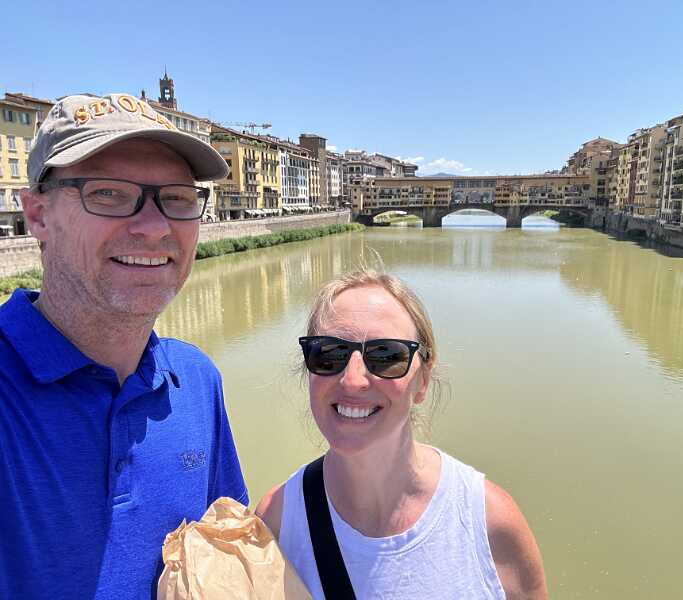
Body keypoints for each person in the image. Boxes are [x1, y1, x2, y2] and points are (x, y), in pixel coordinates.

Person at [0, 94, 248, 599]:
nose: (155, 227)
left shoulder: (196, 380)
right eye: (109, 193)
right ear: (38, 215)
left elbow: (227, 558)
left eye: (177, 198)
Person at [257, 270, 547, 599]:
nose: (352, 380)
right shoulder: (275, 524)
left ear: (423, 380)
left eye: (386, 355)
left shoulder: (491, 524)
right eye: (329, 353)